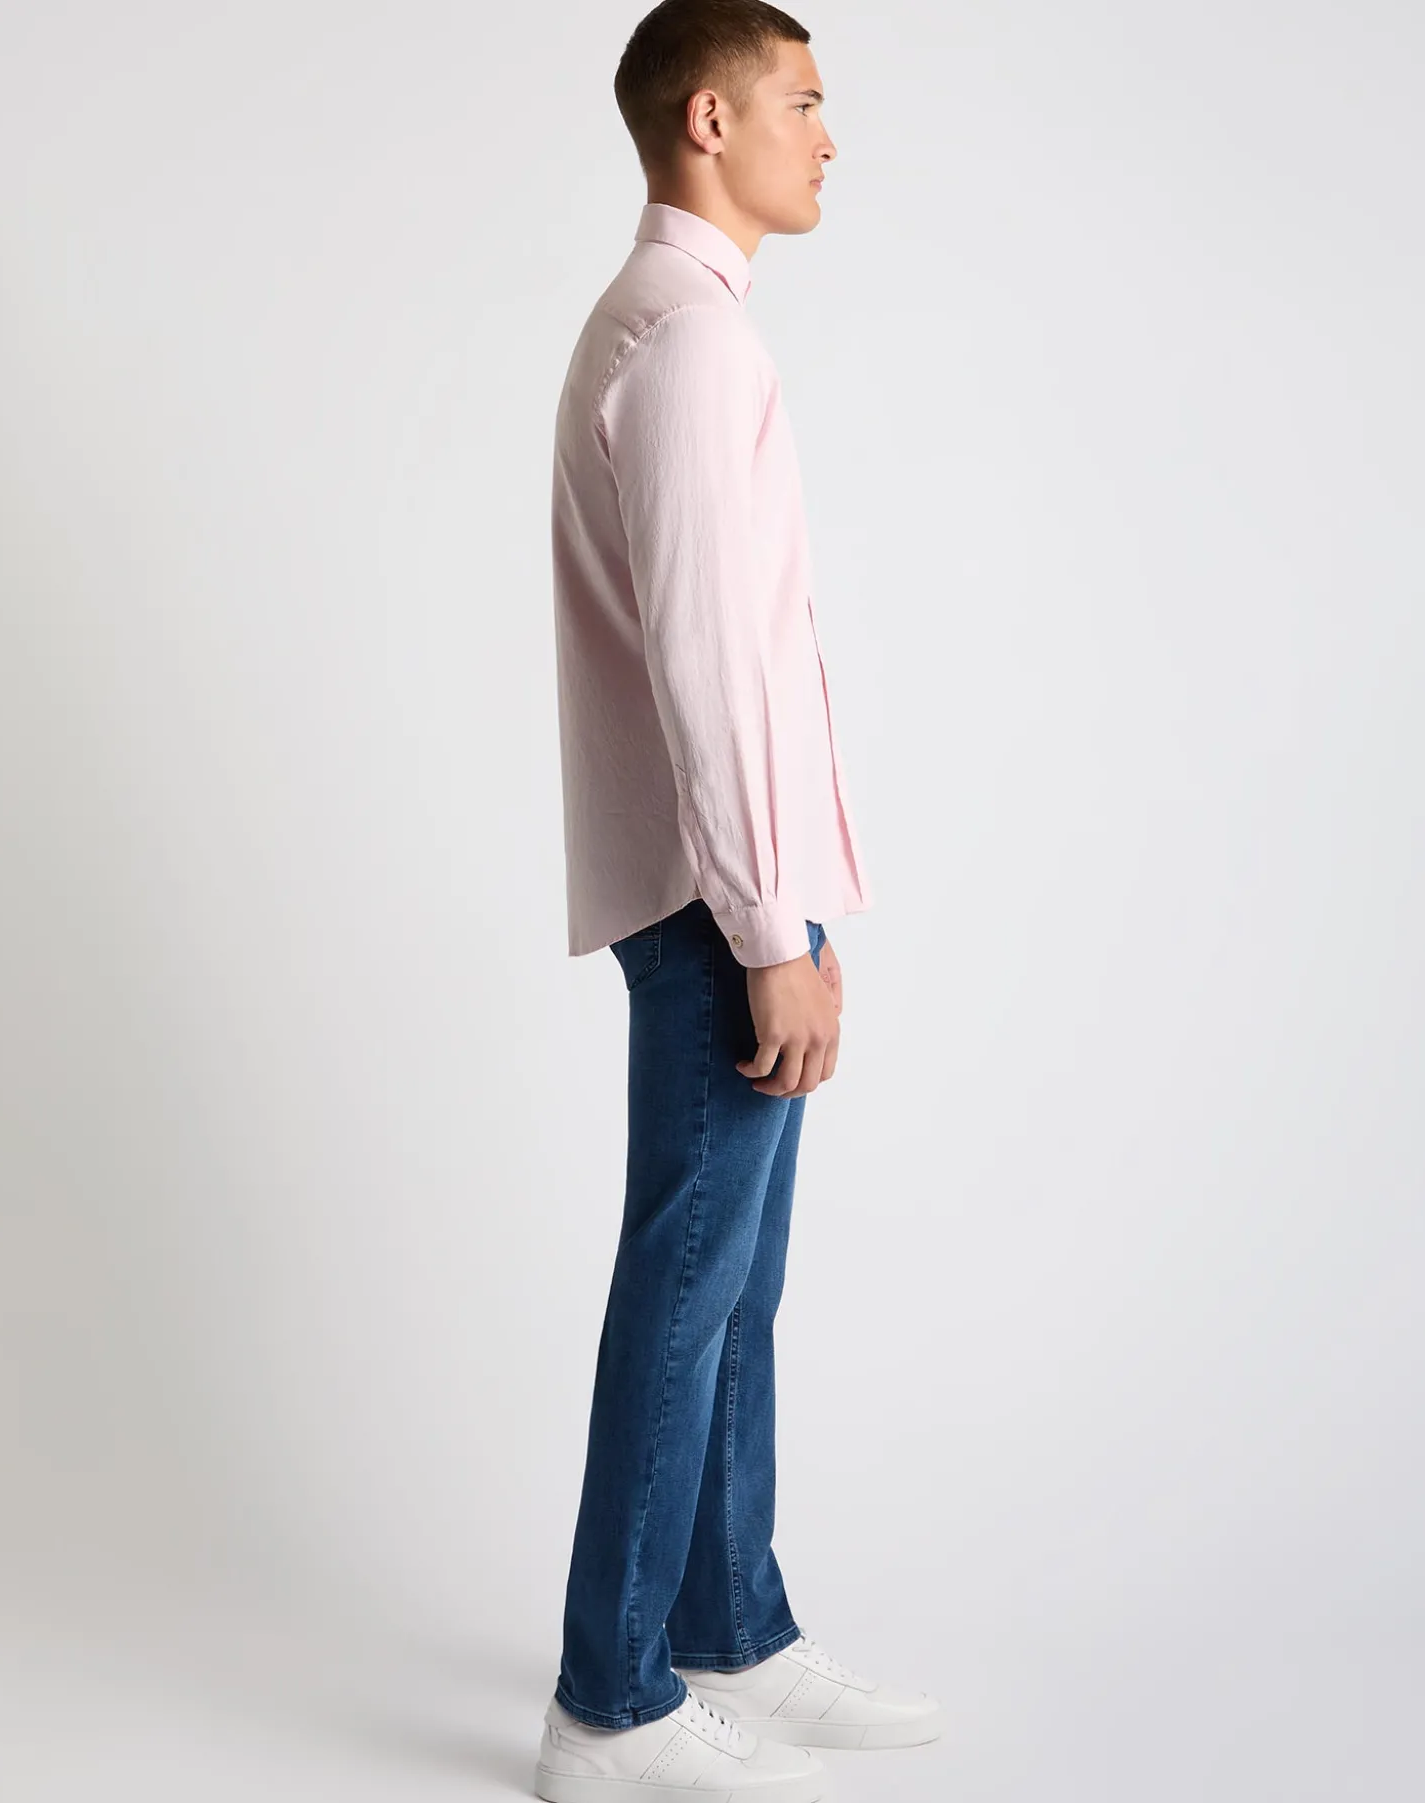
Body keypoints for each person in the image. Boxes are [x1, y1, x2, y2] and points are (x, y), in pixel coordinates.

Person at [538, 5, 941, 1796]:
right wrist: (775, 932)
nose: (829, 136)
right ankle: (608, 1706)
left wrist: (796, 913)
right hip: (725, 905)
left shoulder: (677, 325)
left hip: (740, 890)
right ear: (711, 120)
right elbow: (711, 665)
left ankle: (728, 1631)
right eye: (804, 101)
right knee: (687, 1289)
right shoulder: (691, 343)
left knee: (731, 1289)